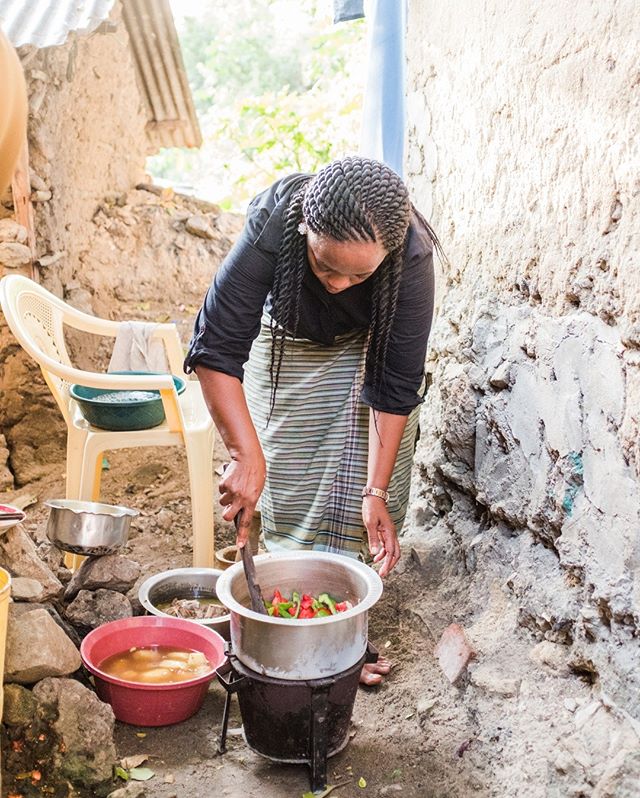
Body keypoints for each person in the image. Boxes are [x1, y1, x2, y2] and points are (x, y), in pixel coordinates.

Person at [185, 156, 439, 685]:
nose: (340, 283)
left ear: (386, 256)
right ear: (304, 230)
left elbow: (395, 385)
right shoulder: (275, 218)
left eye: (359, 273)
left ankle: (340, 633)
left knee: (354, 492)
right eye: (325, 266)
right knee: (283, 470)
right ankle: (279, 609)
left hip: (366, 347)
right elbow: (216, 347)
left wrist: (374, 490)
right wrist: (244, 455)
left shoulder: (410, 254)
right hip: (284, 342)